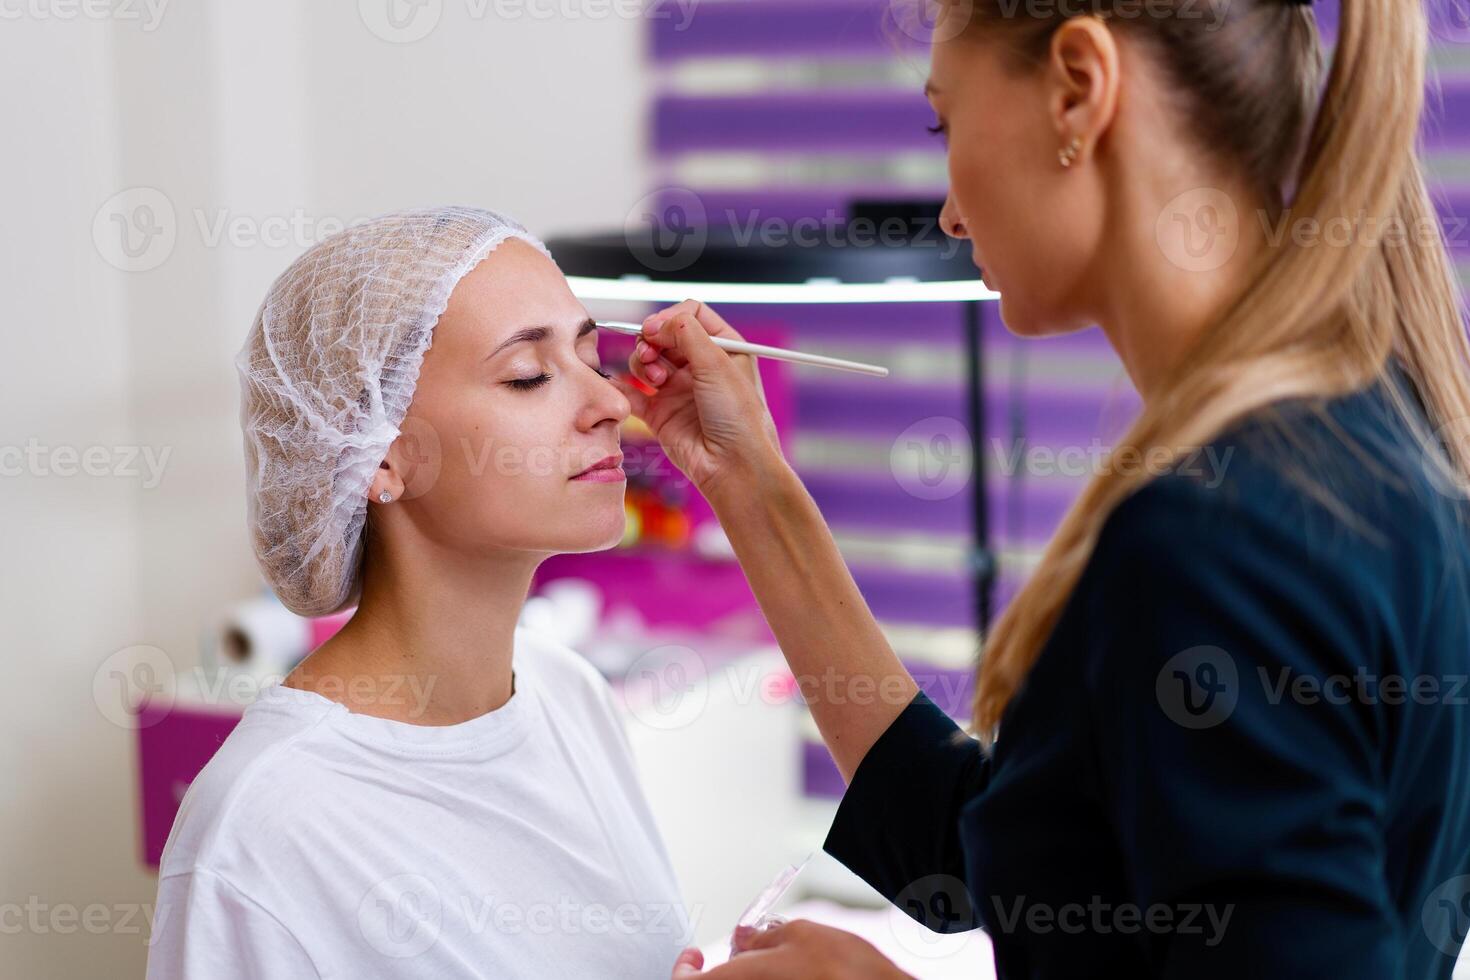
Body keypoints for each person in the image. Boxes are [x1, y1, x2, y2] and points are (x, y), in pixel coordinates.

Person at [619, 2, 1470, 977]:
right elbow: (1001, 851)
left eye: (948, 124)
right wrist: (747, 477)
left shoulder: (1219, 539)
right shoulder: (1372, 435)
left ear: (1077, 87)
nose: (947, 209)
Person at [146, 207, 693, 978]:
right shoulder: (263, 828)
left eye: (590, 355)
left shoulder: (570, 694)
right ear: (377, 455)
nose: (614, 404)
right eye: (528, 375)